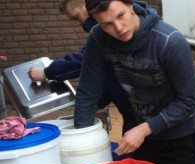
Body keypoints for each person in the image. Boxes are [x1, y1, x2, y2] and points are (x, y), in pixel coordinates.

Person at [76, 0, 195, 164]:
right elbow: (87, 94)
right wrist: (80, 150)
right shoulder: (98, 39)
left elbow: (188, 102)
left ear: (131, 5)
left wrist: (144, 129)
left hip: (179, 140)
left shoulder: (169, 41)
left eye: (120, 15)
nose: (118, 28)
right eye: (107, 24)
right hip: (142, 140)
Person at [27, 0, 135, 133]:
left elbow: (85, 60)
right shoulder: (101, 33)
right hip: (131, 112)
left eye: (77, 17)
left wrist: (47, 72)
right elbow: (107, 71)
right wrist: (98, 100)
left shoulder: (105, 30)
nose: (79, 23)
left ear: (86, 5)